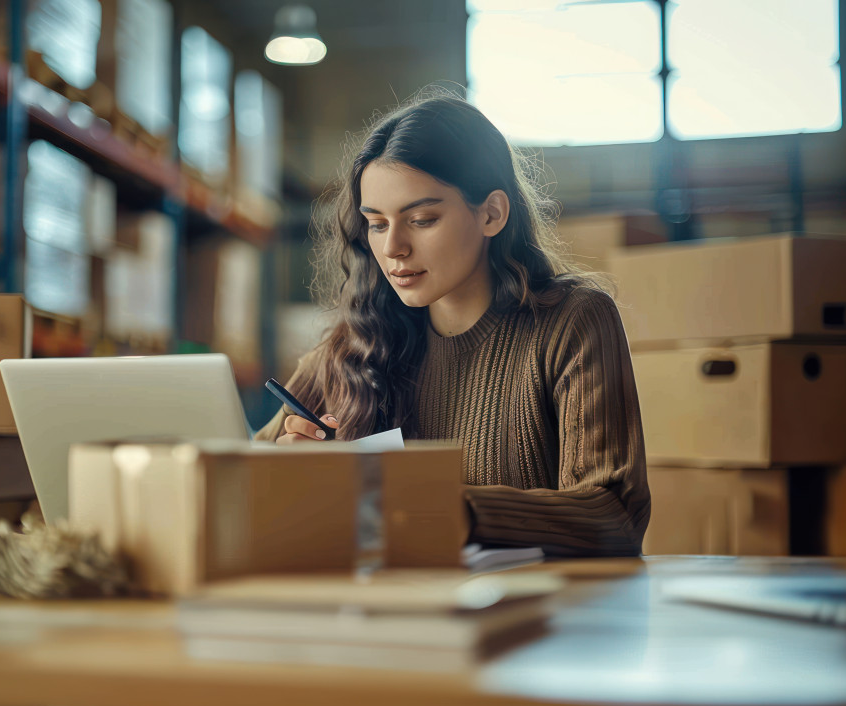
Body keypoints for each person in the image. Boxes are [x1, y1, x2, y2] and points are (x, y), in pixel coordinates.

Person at [254, 90, 650, 557]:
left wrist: (436, 506)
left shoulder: (573, 321)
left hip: (536, 619)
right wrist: (285, 472)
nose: (393, 248)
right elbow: (246, 473)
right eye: (377, 224)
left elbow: (614, 514)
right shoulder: (357, 341)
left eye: (421, 220)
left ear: (492, 213)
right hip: (391, 616)